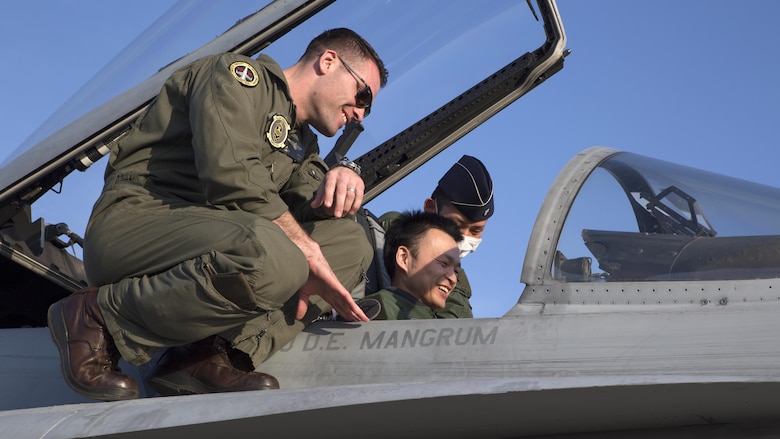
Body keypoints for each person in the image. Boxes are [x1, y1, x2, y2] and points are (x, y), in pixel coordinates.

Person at [46, 28, 388, 401]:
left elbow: (311, 211)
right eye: (362, 96)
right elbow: (230, 174)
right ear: (327, 62)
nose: (359, 115)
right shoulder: (235, 77)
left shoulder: (301, 145)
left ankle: (204, 355)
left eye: (367, 110)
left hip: (211, 245)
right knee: (277, 254)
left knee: (351, 243)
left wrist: (342, 176)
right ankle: (98, 315)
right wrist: (300, 248)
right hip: (136, 225)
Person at [377, 155, 494, 318]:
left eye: (475, 231)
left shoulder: (456, 278)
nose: (464, 237)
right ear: (431, 209)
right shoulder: (392, 227)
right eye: (457, 225)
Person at [362, 210, 462, 320]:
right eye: (444, 263)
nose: (453, 279)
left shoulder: (431, 319)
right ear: (404, 258)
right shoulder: (378, 313)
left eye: (456, 271)